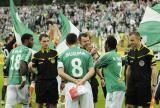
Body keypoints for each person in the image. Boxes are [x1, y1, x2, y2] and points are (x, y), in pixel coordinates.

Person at [58, 33, 95, 108]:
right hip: (84, 84)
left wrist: (75, 81)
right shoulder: (87, 53)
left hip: (70, 85)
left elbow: (60, 73)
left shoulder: (62, 55)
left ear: (66, 43)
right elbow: (92, 71)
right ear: (77, 41)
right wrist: (81, 81)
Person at [126, 32, 158, 108]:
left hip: (144, 85)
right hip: (132, 85)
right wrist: (127, 85)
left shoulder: (147, 51)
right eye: (130, 40)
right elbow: (128, 71)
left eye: (132, 40)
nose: (131, 43)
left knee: (146, 106)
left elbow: (154, 69)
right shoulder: (130, 53)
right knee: (129, 105)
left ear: (138, 39)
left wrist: (153, 85)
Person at [29, 34, 58, 108]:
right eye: (44, 41)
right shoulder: (36, 55)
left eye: (48, 41)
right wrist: (31, 68)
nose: (46, 43)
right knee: (39, 103)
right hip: (40, 82)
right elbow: (34, 70)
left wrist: (63, 81)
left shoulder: (55, 53)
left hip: (52, 82)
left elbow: (60, 67)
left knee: (53, 104)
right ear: (40, 42)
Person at [96, 35, 126, 108]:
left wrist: (93, 54)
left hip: (114, 87)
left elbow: (95, 65)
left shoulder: (107, 55)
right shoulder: (117, 55)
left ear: (107, 45)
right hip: (117, 86)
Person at [5, 33, 34, 108]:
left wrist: (8, 78)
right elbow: (22, 63)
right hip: (22, 82)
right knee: (25, 104)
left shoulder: (12, 51)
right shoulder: (27, 50)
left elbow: (5, 66)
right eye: (32, 40)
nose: (33, 42)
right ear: (26, 40)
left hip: (11, 82)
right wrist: (24, 78)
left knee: (9, 104)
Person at [1, 34, 16, 105]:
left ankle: (3, 100)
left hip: (5, 66)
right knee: (13, 83)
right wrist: (16, 32)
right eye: (10, 40)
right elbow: (14, 40)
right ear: (8, 41)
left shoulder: (4, 47)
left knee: (5, 83)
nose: (11, 40)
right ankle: (12, 98)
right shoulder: (8, 45)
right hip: (10, 66)